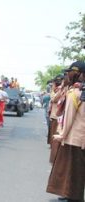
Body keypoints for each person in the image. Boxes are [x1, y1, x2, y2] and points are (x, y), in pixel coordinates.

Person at [46, 61, 85, 202]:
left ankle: (72, 197)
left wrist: (62, 135)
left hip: (74, 137)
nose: (67, 75)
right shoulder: (79, 91)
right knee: (76, 171)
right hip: (79, 137)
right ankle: (70, 195)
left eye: (69, 72)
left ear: (78, 74)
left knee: (72, 171)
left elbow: (69, 117)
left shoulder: (75, 93)